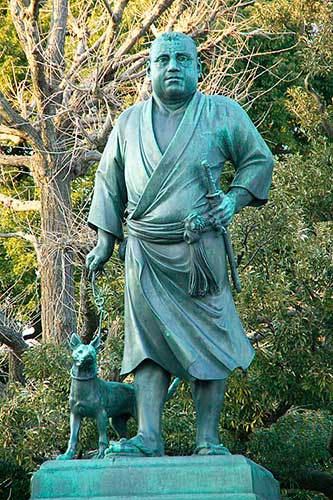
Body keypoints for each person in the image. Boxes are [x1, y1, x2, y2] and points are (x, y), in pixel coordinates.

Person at [86, 32, 274, 457]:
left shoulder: (222, 113)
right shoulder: (129, 122)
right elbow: (108, 181)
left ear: (198, 69)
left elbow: (259, 159)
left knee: (211, 338)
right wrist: (104, 240)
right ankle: (148, 436)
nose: (173, 66)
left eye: (183, 60)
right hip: (144, 250)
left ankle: (208, 439)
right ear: (149, 70)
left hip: (199, 250)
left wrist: (233, 199)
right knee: (146, 344)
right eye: (163, 59)